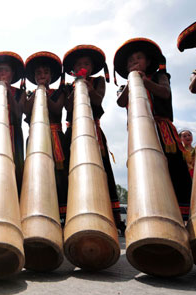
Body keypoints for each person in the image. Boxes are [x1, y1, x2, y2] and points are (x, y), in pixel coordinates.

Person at [114, 37, 192, 221]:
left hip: (163, 131)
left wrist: (145, 81)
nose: (134, 62)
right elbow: (120, 102)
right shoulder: (125, 86)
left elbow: (164, 92)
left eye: (138, 58)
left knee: (175, 170)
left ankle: (185, 216)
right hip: (141, 134)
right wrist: (133, 81)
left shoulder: (160, 76)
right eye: (130, 61)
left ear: (148, 61)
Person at [63, 45, 125, 233]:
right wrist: (77, 87)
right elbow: (66, 106)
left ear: (91, 67)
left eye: (86, 64)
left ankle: (112, 218)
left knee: (102, 168)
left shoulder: (97, 81)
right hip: (73, 131)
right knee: (69, 170)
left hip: (93, 129)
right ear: (73, 68)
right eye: (79, 64)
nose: (83, 66)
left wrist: (87, 86)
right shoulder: (67, 86)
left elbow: (98, 100)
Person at [24, 51, 68, 220]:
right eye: (38, 74)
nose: (42, 76)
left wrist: (43, 91)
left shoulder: (59, 92)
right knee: (36, 172)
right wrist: (38, 92)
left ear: (51, 76)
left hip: (55, 137)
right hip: (35, 139)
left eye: (45, 73)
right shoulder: (30, 94)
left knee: (60, 176)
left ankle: (62, 214)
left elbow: (57, 109)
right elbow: (26, 110)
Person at [0, 51, 26, 193]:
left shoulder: (20, 93)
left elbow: (18, 112)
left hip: (14, 134)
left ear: (12, 74)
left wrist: (7, 91)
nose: (2, 73)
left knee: (16, 167)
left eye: (6, 71)